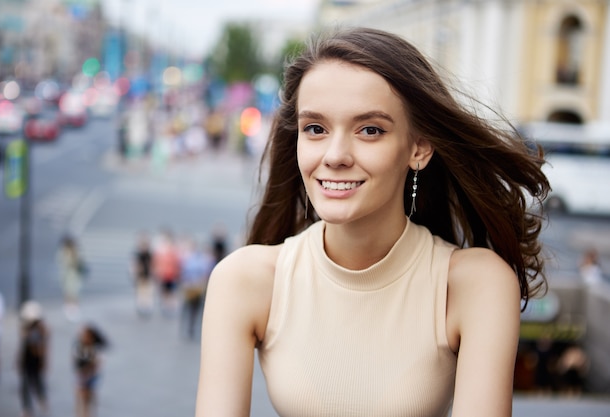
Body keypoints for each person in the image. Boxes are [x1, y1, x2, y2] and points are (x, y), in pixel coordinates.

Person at [195, 27, 550, 417]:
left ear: (419, 147)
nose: (335, 155)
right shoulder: (243, 279)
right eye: (315, 128)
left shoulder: (473, 284)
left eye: (370, 130)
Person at [17, 301, 49, 417]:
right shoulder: (26, 329)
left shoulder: (41, 330)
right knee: (26, 385)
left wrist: (44, 360)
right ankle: (27, 408)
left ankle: (42, 402)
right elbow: (23, 348)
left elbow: (42, 349)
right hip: (27, 362)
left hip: (36, 362)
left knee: (38, 383)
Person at [178, 237, 213, 338]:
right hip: (191, 287)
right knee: (189, 309)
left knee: (195, 309)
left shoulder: (199, 259)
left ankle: (193, 329)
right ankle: (188, 329)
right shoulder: (190, 259)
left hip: (196, 287)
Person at [73, 324, 108, 417]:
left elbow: (97, 365)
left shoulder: (96, 350)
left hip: (91, 378)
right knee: (81, 403)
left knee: (89, 403)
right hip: (81, 377)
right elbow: (76, 363)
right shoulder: (79, 348)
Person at [151, 229, 181, 316]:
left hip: (171, 274)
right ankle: (165, 305)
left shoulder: (173, 249)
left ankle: (170, 306)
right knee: (164, 291)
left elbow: (176, 262)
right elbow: (156, 262)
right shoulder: (160, 250)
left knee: (171, 290)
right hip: (164, 273)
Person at [57, 235, 86, 320]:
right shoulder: (64, 252)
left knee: (75, 292)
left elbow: (80, 262)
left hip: (74, 275)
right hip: (68, 275)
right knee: (69, 292)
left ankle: (74, 309)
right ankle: (69, 308)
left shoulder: (75, 251)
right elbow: (63, 263)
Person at [131, 233, 154, 317]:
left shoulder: (150, 254)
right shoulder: (136, 255)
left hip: (148, 276)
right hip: (140, 277)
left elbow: (153, 265)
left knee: (148, 293)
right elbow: (133, 266)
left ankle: (147, 307)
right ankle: (141, 307)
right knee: (140, 293)